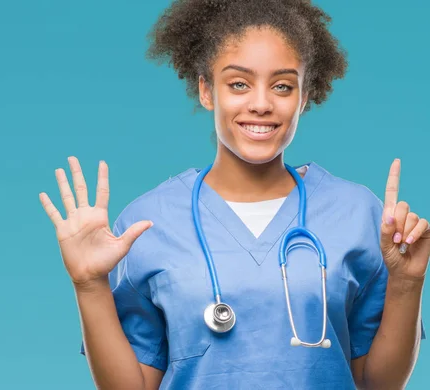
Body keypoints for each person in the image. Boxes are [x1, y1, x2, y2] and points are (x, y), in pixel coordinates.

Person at [39, 0, 429, 388]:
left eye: (282, 86)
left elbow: (378, 384)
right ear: (206, 90)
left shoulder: (356, 213)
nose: (261, 104)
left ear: (305, 96)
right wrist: (89, 285)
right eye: (239, 83)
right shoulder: (147, 223)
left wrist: (408, 284)